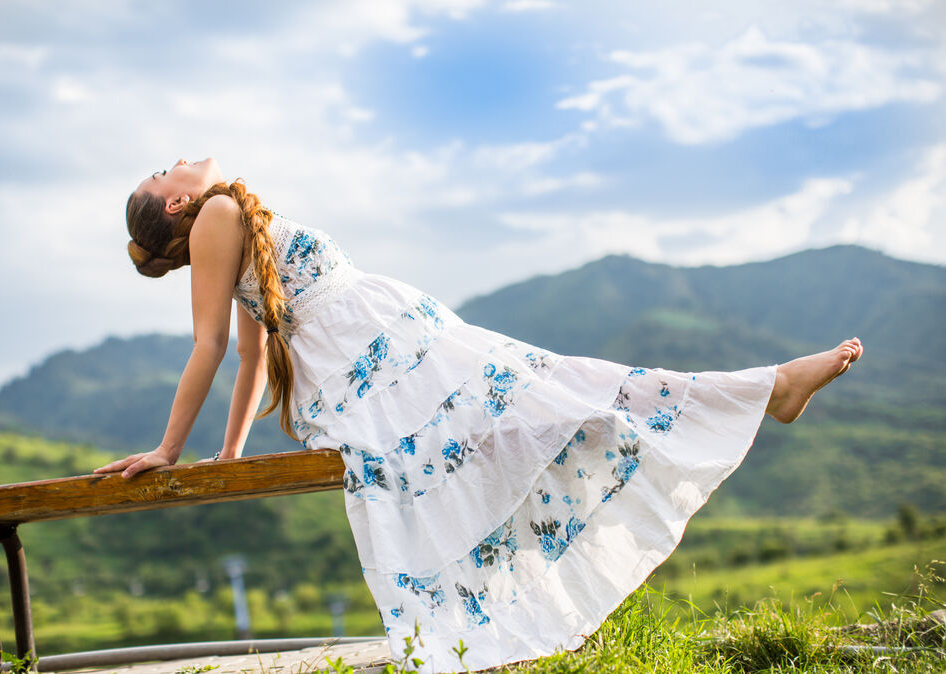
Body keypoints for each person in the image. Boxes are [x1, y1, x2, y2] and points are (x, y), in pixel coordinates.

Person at [95, 157, 863, 672]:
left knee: (535, 408)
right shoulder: (217, 213)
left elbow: (250, 353)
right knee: (544, 400)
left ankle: (763, 390)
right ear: (176, 203)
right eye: (166, 170)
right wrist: (173, 449)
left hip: (382, 349)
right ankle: (765, 389)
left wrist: (227, 455)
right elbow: (218, 348)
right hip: (376, 357)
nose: (178, 160)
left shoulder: (226, 222)